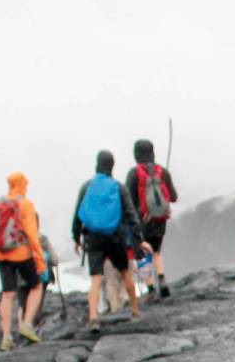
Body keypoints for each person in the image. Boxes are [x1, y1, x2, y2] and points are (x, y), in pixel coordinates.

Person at [72, 149, 149, 330]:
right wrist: (140, 239)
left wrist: (76, 237)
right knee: (125, 272)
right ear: (112, 166)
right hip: (115, 236)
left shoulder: (87, 186)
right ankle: (135, 311)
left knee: (96, 278)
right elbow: (131, 214)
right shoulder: (118, 187)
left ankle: (93, 318)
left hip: (93, 237)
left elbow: (77, 214)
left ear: (97, 164)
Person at [0, 171, 48, 350]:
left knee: (7, 294)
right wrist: (40, 261)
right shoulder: (25, 204)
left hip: (1, 254)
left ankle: (6, 337)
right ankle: (27, 324)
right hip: (21, 253)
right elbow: (32, 235)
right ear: (22, 185)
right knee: (36, 286)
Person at [127, 138, 178, 298]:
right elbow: (174, 197)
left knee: (143, 254)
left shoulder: (134, 173)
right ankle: (161, 279)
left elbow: (128, 200)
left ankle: (150, 289)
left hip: (142, 220)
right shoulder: (163, 172)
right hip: (160, 220)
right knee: (156, 252)